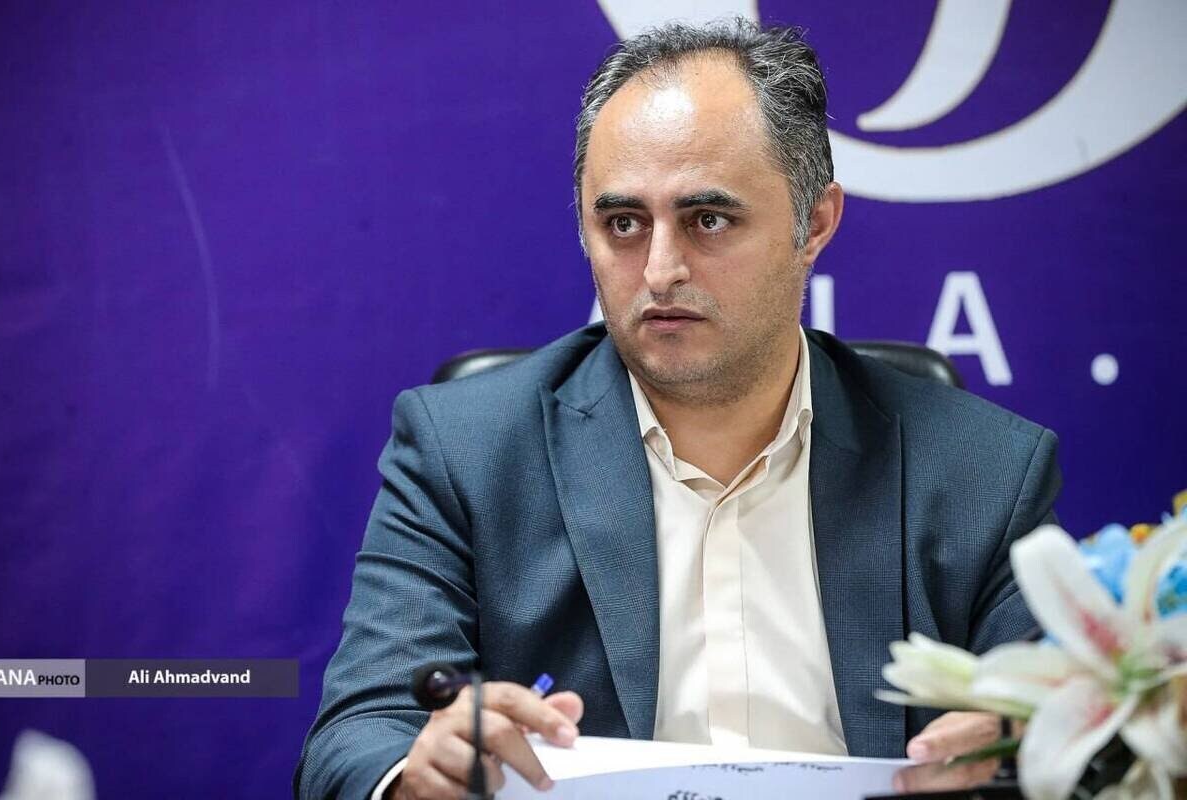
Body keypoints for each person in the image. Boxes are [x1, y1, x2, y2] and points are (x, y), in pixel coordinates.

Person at [295, 20, 1060, 800]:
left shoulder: (985, 473)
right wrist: (416, 775)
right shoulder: (464, 452)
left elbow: (1061, 733)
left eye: (708, 219)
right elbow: (359, 734)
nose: (660, 271)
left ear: (815, 223)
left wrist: (1024, 753)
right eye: (623, 223)